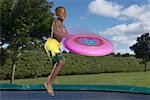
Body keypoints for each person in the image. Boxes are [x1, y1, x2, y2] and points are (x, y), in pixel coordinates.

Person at [44, 6, 72, 96]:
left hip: (56, 46)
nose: (63, 14)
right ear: (56, 14)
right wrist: (68, 36)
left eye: (64, 12)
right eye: (60, 12)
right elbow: (55, 33)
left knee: (58, 63)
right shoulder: (56, 22)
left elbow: (68, 39)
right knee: (61, 62)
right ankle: (49, 83)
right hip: (51, 44)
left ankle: (51, 77)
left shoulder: (64, 27)